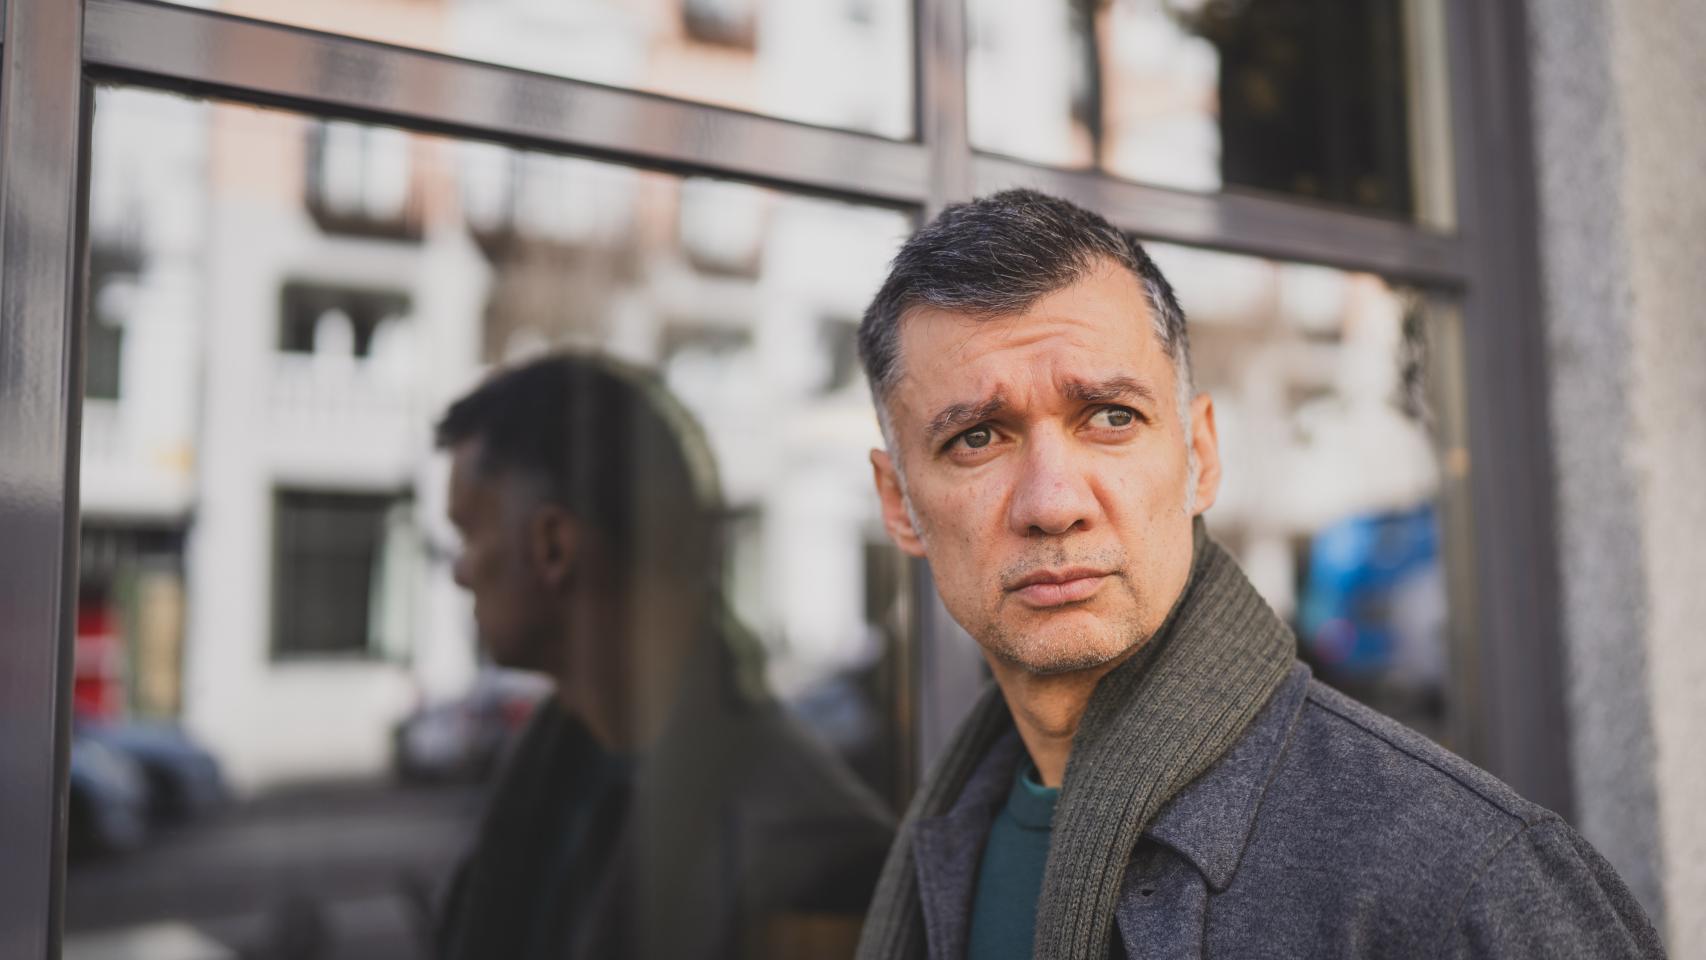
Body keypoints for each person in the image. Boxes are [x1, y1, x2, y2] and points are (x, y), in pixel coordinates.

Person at [851, 190, 1663, 959]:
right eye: (978, 439)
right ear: (898, 503)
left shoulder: (1469, 878)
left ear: (1200, 457)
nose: (1053, 503)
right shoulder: (945, 844)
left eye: (1110, 417)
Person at [432, 352, 893, 960]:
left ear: (553, 546)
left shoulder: (806, 851)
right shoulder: (555, 774)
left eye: (468, 532)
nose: (459, 572)